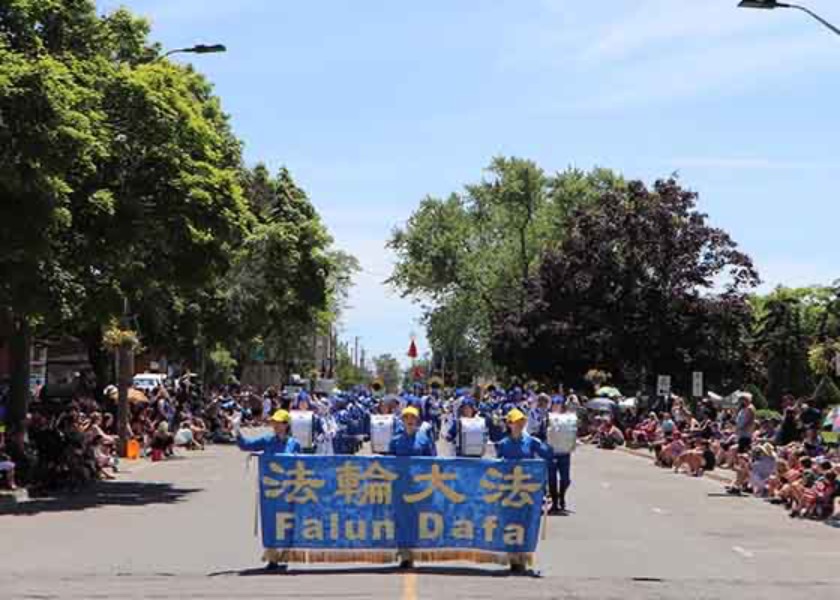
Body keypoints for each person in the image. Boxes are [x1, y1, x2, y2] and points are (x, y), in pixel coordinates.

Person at [236, 409, 301, 571]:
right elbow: (246, 445)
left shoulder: (294, 444)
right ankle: (272, 559)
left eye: (279, 423)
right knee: (271, 524)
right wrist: (236, 430)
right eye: (274, 423)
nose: (276, 426)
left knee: (286, 523)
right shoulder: (267, 440)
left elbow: (302, 465)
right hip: (271, 491)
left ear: (286, 425)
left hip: (289, 490)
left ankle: (285, 554)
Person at [496, 408, 551, 575]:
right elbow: (498, 466)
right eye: (516, 422)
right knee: (510, 524)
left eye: (522, 421)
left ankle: (523, 558)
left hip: (527, 489)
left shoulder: (530, 441)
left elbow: (547, 455)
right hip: (509, 490)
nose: (520, 424)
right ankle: (513, 559)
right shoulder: (504, 444)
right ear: (509, 424)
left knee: (525, 524)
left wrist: (549, 441)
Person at [388, 406, 435, 569]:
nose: (409, 420)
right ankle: (404, 555)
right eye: (406, 417)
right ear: (402, 421)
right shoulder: (395, 441)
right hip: (400, 486)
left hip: (418, 486)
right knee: (401, 520)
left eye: (413, 417)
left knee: (415, 520)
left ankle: (413, 552)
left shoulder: (424, 439)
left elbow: (432, 462)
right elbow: (389, 463)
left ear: (417, 420)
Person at [545, 397, 575, 514]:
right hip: (551, 453)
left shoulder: (568, 418)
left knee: (566, 479)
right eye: (555, 403)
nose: (557, 406)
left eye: (559, 403)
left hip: (564, 453)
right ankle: (555, 502)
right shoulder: (548, 417)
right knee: (552, 479)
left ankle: (561, 496)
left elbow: (572, 432)